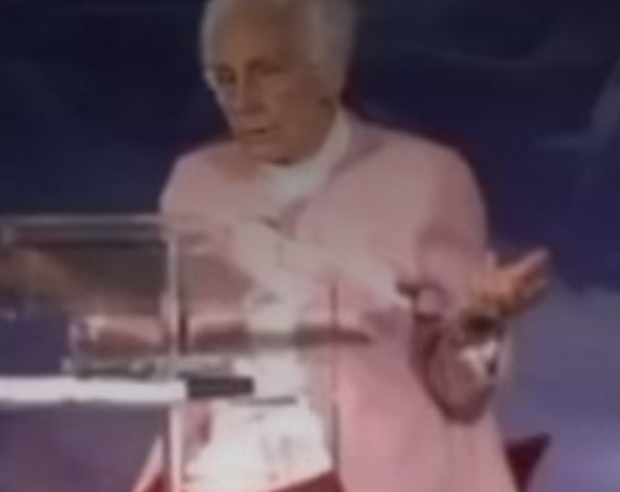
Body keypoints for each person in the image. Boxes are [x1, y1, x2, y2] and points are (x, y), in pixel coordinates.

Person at [136, 0, 551, 491]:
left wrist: (477, 328)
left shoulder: (425, 178)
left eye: (266, 74)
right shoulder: (194, 184)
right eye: (224, 79)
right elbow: (178, 356)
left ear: (329, 72)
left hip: (360, 474)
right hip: (219, 467)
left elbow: (459, 395)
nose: (242, 100)